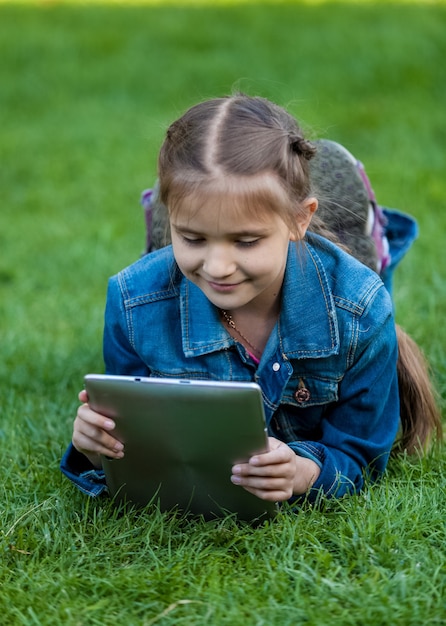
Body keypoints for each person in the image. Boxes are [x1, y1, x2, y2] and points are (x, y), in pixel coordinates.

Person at [61, 94, 442, 505]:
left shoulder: (361, 310)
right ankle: (185, 233)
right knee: (164, 276)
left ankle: (348, 201)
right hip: (172, 282)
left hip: (330, 276)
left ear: (300, 219)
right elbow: (135, 445)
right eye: (193, 237)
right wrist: (97, 450)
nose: (219, 266)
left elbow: (360, 453)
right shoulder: (133, 301)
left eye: (245, 241)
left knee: (357, 265)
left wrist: (304, 472)